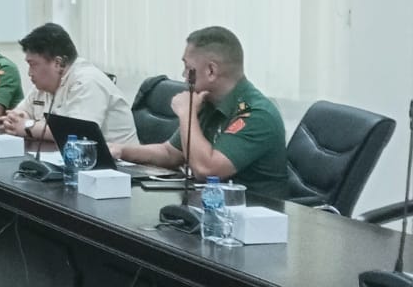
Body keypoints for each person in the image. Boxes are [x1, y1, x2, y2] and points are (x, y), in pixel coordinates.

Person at [111, 26, 288, 198]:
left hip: (252, 215)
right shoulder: (207, 101)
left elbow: (207, 170)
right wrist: (122, 150)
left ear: (211, 71)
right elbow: (170, 153)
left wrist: (187, 114)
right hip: (213, 208)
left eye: (188, 68)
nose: (184, 75)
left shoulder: (257, 113)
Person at [0, 23, 136, 145]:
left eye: (33, 65)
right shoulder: (44, 84)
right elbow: (21, 113)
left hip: (123, 166)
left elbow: (77, 133)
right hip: (71, 160)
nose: (29, 73)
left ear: (58, 63)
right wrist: (13, 121)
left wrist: (28, 126)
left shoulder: (88, 80)